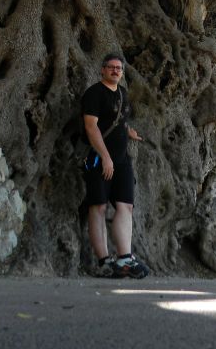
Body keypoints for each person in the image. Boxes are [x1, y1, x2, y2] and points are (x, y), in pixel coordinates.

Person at [81, 52, 149, 279]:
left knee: (125, 206)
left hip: (121, 160)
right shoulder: (93, 93)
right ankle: (103, 261)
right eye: (111, 67)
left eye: (119, 68)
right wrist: (105, 156)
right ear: (102, 69)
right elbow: (91, 127)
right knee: (98, 206)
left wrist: (129, 132)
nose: (115, 71)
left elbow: (118, 120)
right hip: (99, 159)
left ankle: (124, 258)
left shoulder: (122, 94)